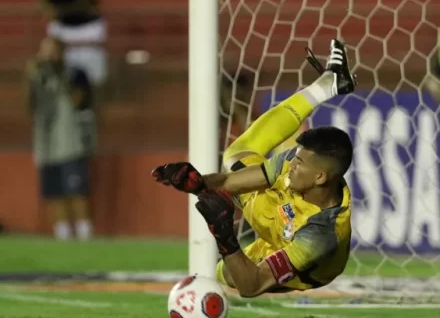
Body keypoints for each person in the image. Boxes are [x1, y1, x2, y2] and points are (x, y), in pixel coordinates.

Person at [152, 39, 355, 297]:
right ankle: (325, 86)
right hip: (276, 212)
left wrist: (225, 236)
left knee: (226, 274)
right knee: (235, 155)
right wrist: (197, 182)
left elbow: (252, 287)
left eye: (300, 163)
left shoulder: (321, 235)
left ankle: (329, 84)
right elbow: (228, 182)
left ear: (320, 177)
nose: (291, 162)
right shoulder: (295, 162)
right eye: (295, 157)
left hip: (301, 265)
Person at [27, 37, 94, 241]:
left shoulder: (75, 73)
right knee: (53, 191)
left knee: (77, 189)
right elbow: (30, 105)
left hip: (70, 141)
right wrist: (30, 78)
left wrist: (58, 73)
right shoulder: (38, 75)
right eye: (44, 50)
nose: (47, 55)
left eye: (51, 50)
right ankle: (62, 233)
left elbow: (79, 100)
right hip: (47, 142)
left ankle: (84, 232)